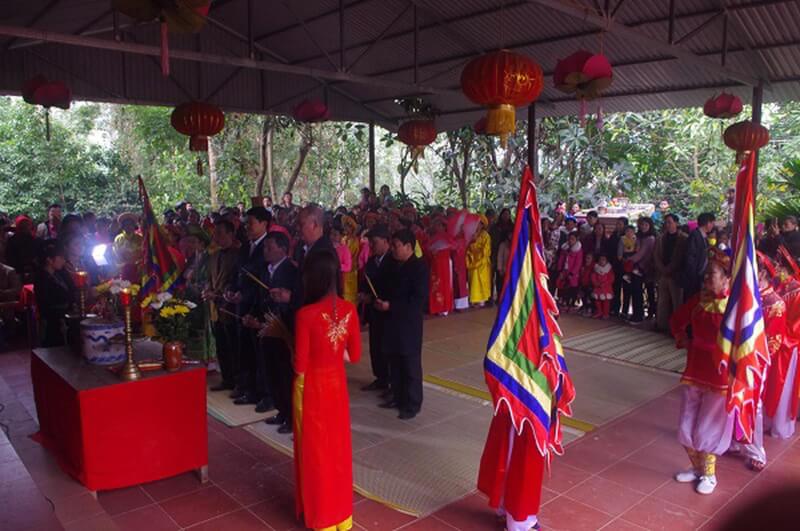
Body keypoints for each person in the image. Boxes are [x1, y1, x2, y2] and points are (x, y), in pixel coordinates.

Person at [292, 249, 361, 531]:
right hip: (337, 389)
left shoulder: (305, 315)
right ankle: (342, 517)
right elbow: (353, 356)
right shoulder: (350, 309)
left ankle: (321, 518)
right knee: (338, 451)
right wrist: (333, 354)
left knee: (316, 452)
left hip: (312, 391)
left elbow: (299, 365)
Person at [670, 249, 732, 495]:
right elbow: (676, 319)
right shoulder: (699, 299)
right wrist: (682, 339)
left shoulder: (736, 305)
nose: (706, 279)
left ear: (727, 278)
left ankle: (710, 474)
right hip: (695, 366)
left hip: (719, 373)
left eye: (712, 275)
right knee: (687, 421)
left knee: (709, 424)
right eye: (706, 274)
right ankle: (697, 469)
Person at [375, 229, 429, 420]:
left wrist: (391, 305)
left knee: (410, 365)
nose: (393, 249)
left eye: (396, 245)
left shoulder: (419, 268)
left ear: (408, 246)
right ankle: (398, 397)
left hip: (408, 324)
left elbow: (418, 301)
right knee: (395, 362)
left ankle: (413, 403)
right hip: (392, 321)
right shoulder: (393, 265)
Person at [227, 206, 271, 410]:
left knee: (261, 353)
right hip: (240, 305)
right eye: (246, 223)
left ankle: (264, 393)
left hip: (259, 306)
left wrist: (247, 296)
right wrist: (231, 291)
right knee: (242, 347)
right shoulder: (245, 247)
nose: (247, 227)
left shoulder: (270, 247)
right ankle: (246, 387)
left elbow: (265, 280)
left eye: (251, 223)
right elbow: (237, 273)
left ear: (264, 224)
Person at [256, 231, 298, 434]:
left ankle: (291, 415)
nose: (265, 251)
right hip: (267, 327)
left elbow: (295, 301)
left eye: (269, 247)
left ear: (283, 248)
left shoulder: (292, 270)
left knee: (284, 374)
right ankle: (281, 410)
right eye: (264, 247)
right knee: (271, 371)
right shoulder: (266, 270)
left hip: (283, 329)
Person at [765, 251, 800, 438]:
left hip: (788, 345)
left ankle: (780, 424)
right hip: (775, 341)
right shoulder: (779, 287)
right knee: (771, 384)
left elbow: (797, 325)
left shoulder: (797, 291)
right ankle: (768, 419)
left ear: (786, 270)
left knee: (783, 384)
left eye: (779, 267)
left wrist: (781, 337)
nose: (776, 270)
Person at [204, 220, 241, 393]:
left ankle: (238, 381)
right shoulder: (213, 256)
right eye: (215, 233)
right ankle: (226, 378)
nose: (216, 236)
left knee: (233, 346)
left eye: (220, 233)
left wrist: (219, 294)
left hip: (230, 307)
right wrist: (208, 290)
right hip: (215, 307)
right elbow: (210, 279)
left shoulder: (238, 255)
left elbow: (235, 281)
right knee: (221, 345)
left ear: (230, 234)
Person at [359, 224, 396, 392]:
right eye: (370, 243)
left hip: (388, 311)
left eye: (375, 242)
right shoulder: (371, 262)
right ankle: (380, 377)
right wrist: (364, 295)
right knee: (375, 345)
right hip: (374, 310)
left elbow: (394, 288)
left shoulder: (394, 262)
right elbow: (365, 282)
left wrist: (376, 298)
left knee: (388, 346)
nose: (372, 246)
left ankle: (390, 380)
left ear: (386, 241)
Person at [34, 241, 75, 347]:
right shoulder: (41, 278)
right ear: (49, 260)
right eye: (60, 258)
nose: (63, 260)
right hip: (53, 321)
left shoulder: (61, 273)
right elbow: (47, 303)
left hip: (67, 314)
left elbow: (72, 290)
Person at [654, 214, 687, 332]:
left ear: (676, 223)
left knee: (677, 302)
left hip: (676, 275)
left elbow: (680, 258)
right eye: (666, 222)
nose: (667, 225)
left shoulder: (683, 238)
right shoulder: (660, 238)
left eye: (670, 222)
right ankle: (662, 325)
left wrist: (669, 269)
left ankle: (677, 327)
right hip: (662, 274)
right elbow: (656, 255)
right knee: (662, 301)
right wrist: (662, 269)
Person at [628, 217, 656, 324]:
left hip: (645, 268)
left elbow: (642, 254)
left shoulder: (651, 239)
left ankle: (639, 316)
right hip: (635, 266)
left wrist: (629, 260)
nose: (643, 227)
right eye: (641, 224)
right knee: (635, 292)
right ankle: (637, 314)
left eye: (646, 225)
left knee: (640, 292)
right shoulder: (638, 237)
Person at [682, 212, 716, 299]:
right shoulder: (695, 235)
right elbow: (690, 257)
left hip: (700, 275)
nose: (713, 225)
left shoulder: (704, 237)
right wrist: (693, 275)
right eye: (712, 223)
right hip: (694, 277)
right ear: (708, 223)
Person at [466, 216, 492, 307]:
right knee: (473, 281)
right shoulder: (472, 234)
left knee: (481, 281)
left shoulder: (485, 235)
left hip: (482, 262)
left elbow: (486, 250)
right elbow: (468, 247)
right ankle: (473, 299)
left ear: (482, 225)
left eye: (479, 223)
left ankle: (482, 300)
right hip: (472, 260)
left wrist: (479, 257)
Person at [7, 216, 40, 283]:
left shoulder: (33, 239)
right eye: (24, 225)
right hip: (20, 271)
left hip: (26, 270)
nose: (26, 227)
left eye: (27, 225)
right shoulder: (33, 239)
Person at [556, 232, 582, 311]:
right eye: (569, 239)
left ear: (576, 240)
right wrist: (560, 269)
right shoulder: (565, 248)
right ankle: (563, 301)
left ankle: (571, 303)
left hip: (573, 273)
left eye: (572, 239)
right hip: (564, 270)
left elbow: (578, 263)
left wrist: (573, 273)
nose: (570, 241)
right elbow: (561, 259)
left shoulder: (578, 250)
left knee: (572, 288)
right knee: (562, 287)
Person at [591, 254, 614, 319]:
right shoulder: (596, 268)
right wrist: (596, 283)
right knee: (597, 301)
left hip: (606, 288)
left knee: (606, 301)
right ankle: (599, 312)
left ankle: (606, 313)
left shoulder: (609, 269)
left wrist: (605, 284)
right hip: (598, 288)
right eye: (600, 259)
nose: (601, 261)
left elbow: (611, 278)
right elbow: (593, 277)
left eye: (603, 260)